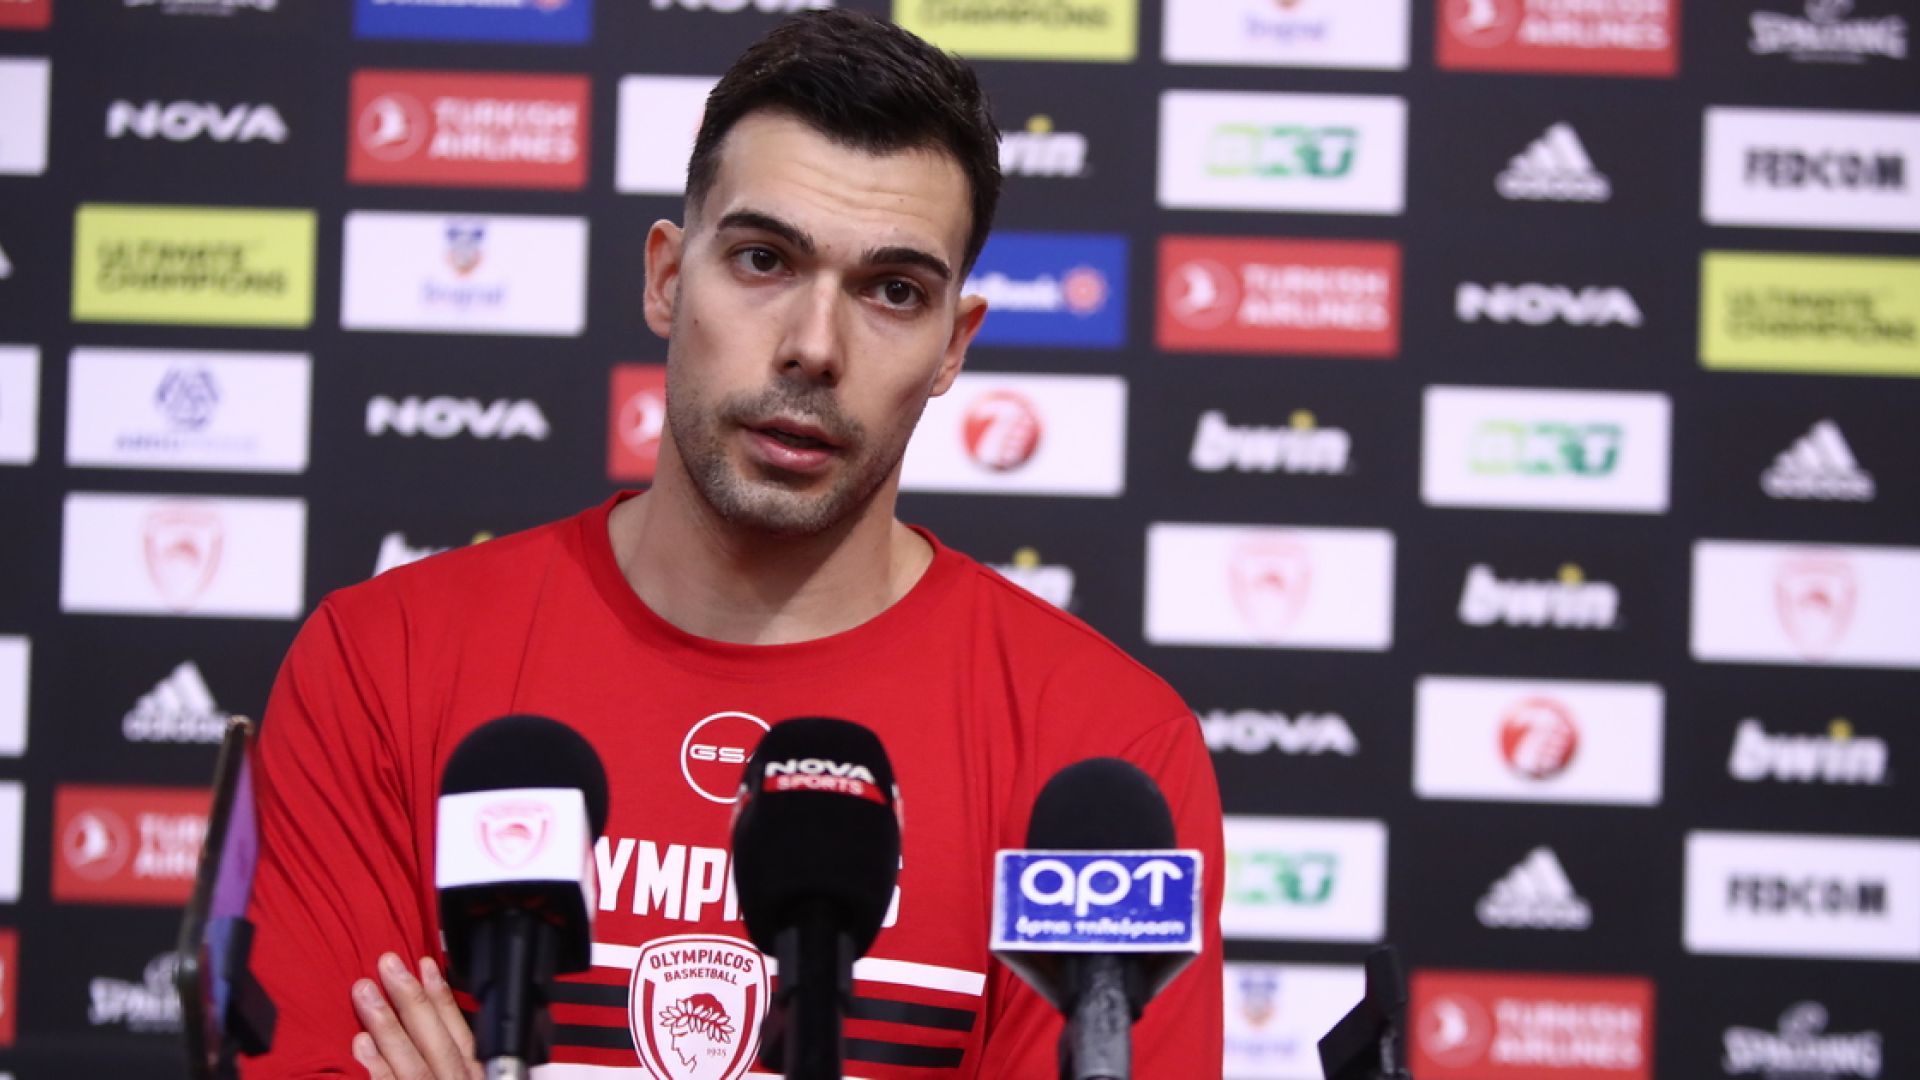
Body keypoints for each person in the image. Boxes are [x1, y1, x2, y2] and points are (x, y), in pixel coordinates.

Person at [239, 10, 1223, 1078]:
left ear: (954, 345)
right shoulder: (384, 663)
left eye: (894, 292)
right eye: (763, 260)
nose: (813, 348)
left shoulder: (1103, 748)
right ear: (668, 278)